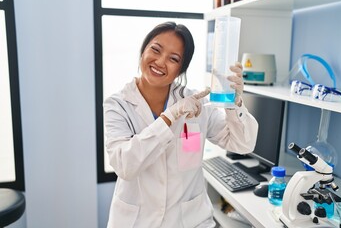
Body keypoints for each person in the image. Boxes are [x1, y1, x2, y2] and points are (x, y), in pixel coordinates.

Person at [103, 21, 258, 228]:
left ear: (181, 69)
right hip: (137, 221)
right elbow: (125, 165)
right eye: (155, 50)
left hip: (189, 221)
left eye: (173, 59)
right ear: (143, 51)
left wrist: (234, 102)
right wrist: (170, 117)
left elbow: (242, 144)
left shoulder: (196, 102)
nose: (160, 62)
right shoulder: (118, 105)